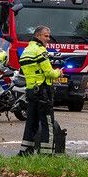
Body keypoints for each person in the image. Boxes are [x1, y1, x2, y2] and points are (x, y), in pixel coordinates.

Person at [17, 25, 63, 156]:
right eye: (46, 36)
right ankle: (46, 153)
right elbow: (49, 73)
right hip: (43, 91)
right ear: (38, 36)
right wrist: (58, 73)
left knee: (31, 122)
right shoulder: (41, 51)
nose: (48, 39)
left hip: (31, 90)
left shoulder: (27, 50)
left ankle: (25, 151)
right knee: (47, 123)